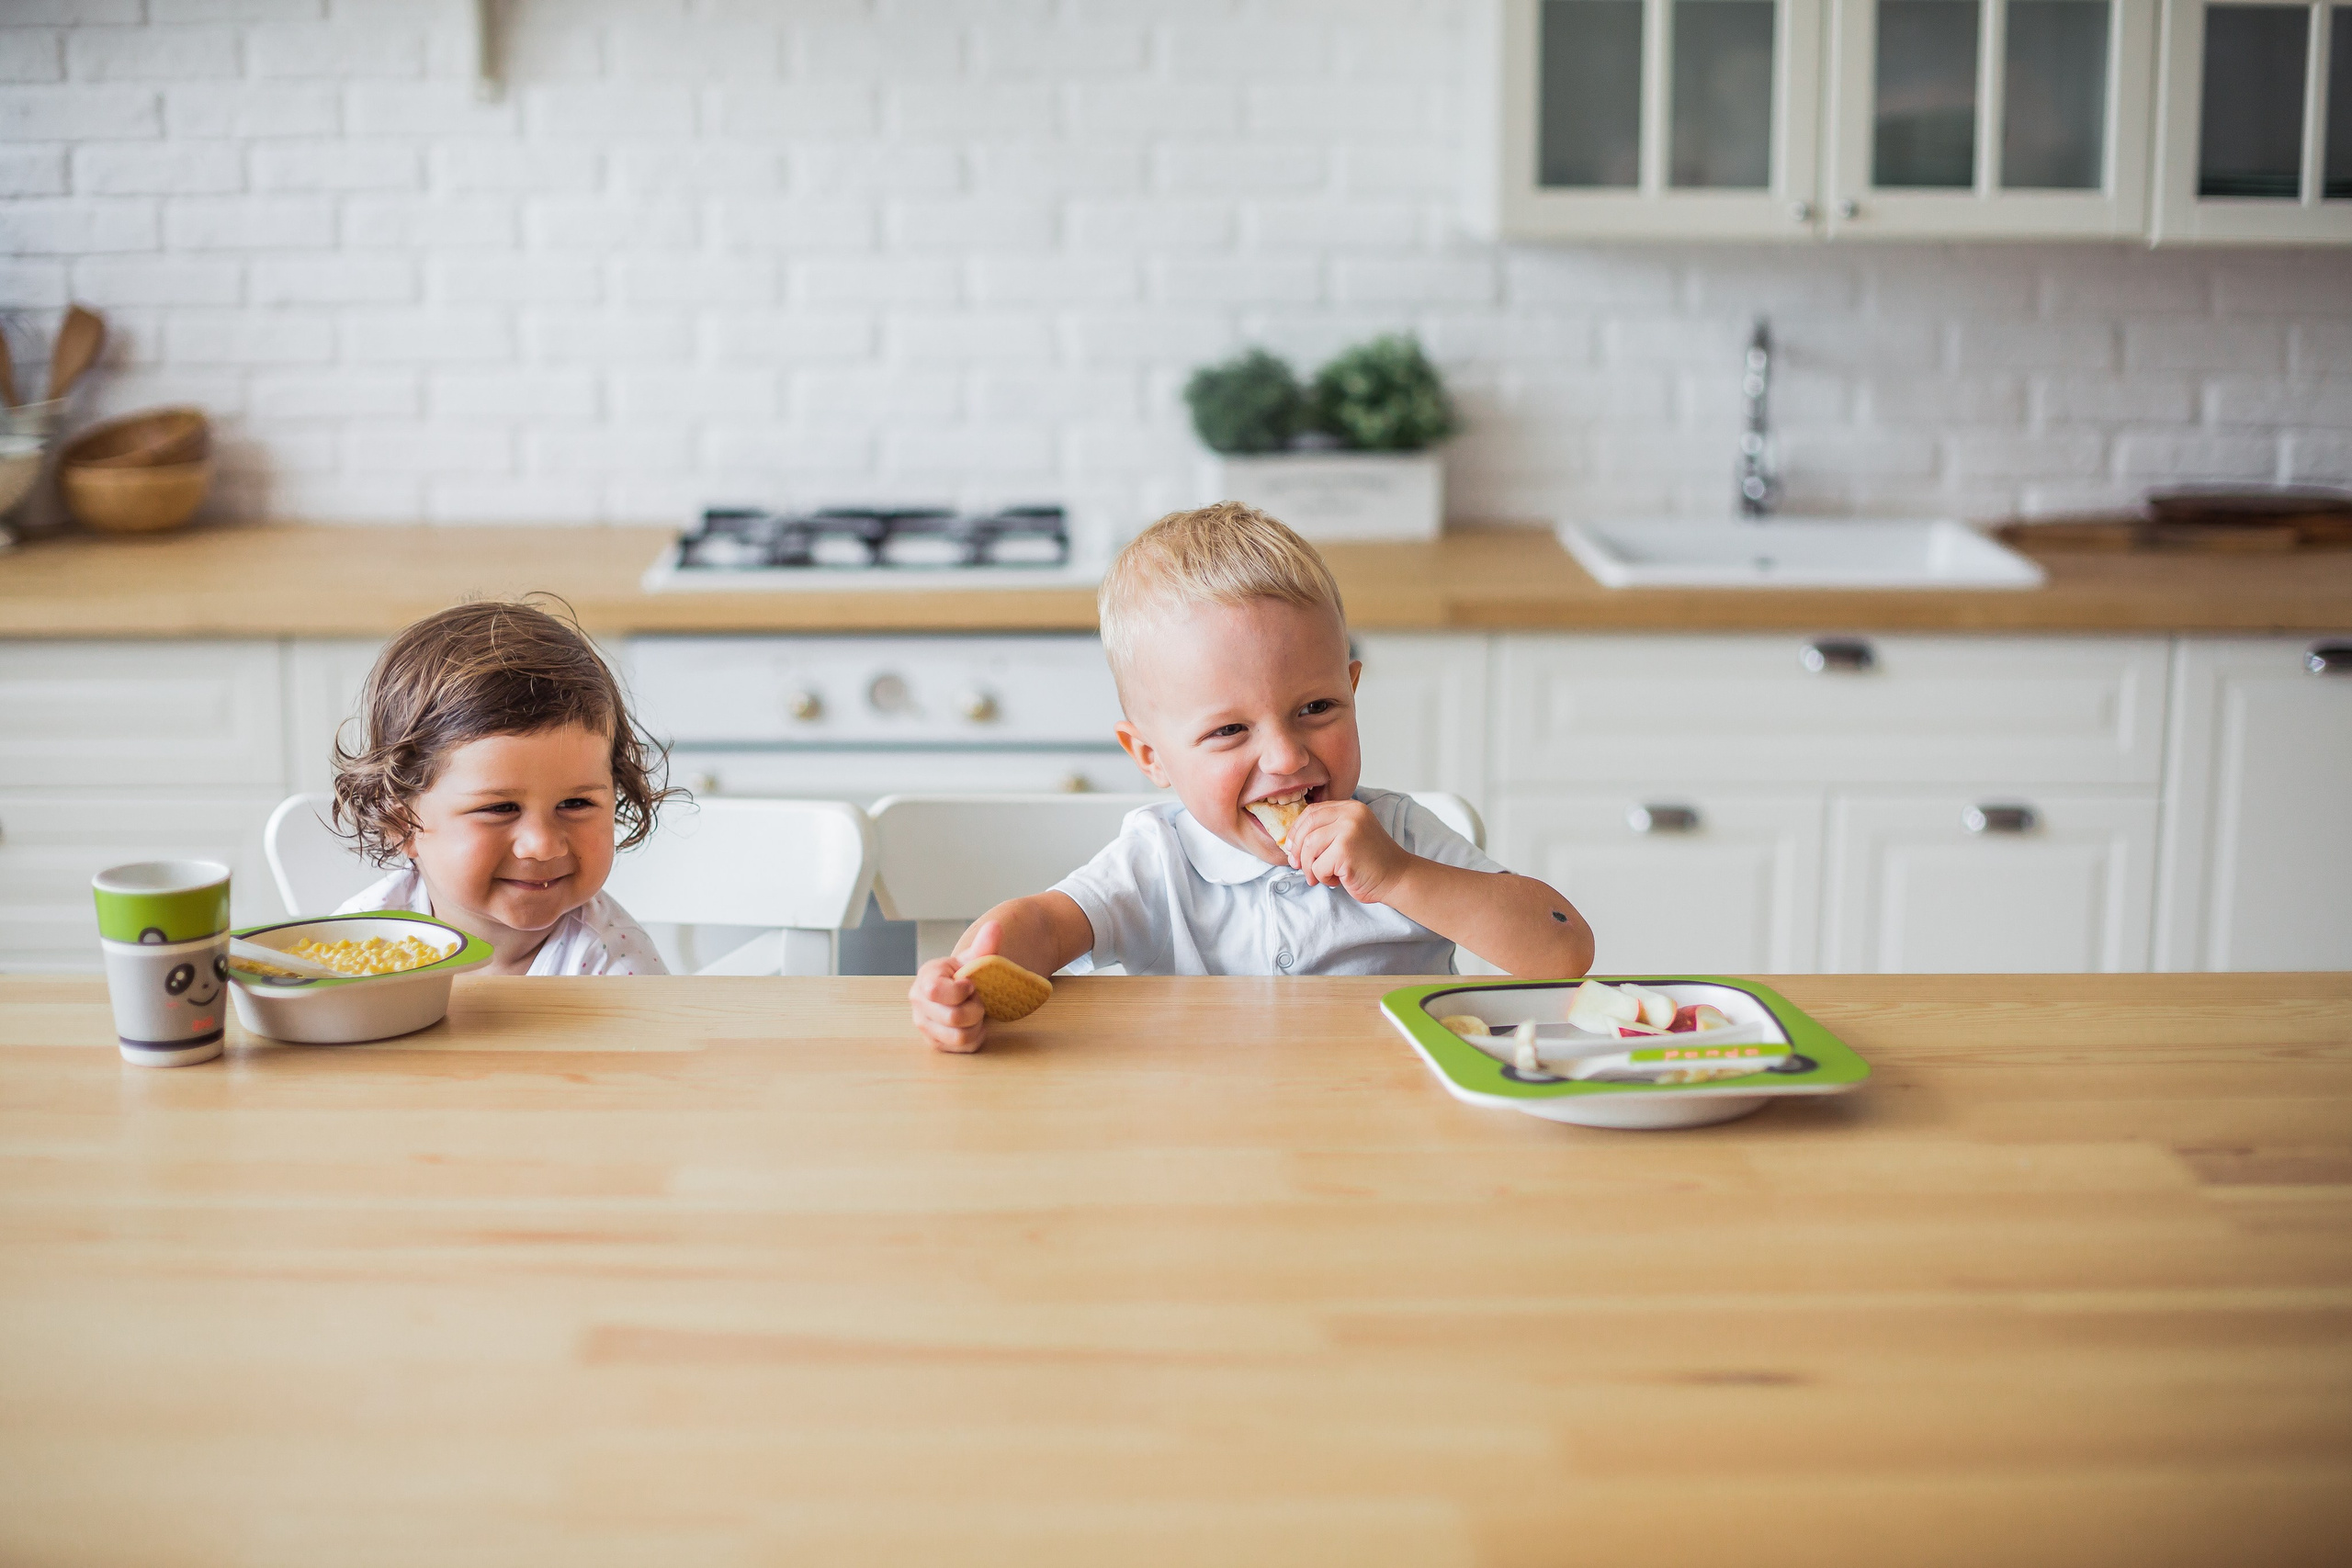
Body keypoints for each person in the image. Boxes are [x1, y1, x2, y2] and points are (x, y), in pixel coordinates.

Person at [910, 502, 1593, 1051]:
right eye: (1231, 730)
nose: (1288, 757)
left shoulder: (1400, 835)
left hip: (1393, 1134)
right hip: (1209, 1144)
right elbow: (1049, 927)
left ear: (1353, 690)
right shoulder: (1157, 861)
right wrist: (974, 970)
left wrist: (1400, 877)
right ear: (1150, 756)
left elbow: (1563, 949)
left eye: (1317, 708)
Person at [330, 597, 674, 976]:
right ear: (403, 825)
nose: (541, 845)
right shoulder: (362, 941)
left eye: (575, 802)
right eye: (501, 808)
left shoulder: (613, 969)